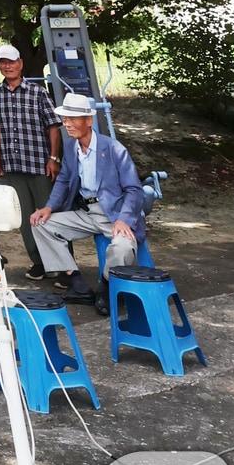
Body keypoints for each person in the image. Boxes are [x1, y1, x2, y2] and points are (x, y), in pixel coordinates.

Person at [30, 94, 146, 315]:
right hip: (86, 212)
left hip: (113, 214)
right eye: (65, 119)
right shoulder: (71, 148)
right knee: (40, 224)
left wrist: (124, 219)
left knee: (122, 247)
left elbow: (134, 189)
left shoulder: (113, 149)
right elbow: (63, 180)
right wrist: (48, 207)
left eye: (73, 119)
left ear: (89, 121)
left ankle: (105, 286)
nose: (67, 124)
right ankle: (76, 282)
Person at [0, 44, 62, 281]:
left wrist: (53, 158)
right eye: (2, 62)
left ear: (20, 63)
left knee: (49, 215)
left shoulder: (37, 91)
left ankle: (62, 266)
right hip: (13, 164)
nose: (7, 66)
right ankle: (38, 262)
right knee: (25, 217)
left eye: (11, 61)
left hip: (39, 163)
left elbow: (53, 126)